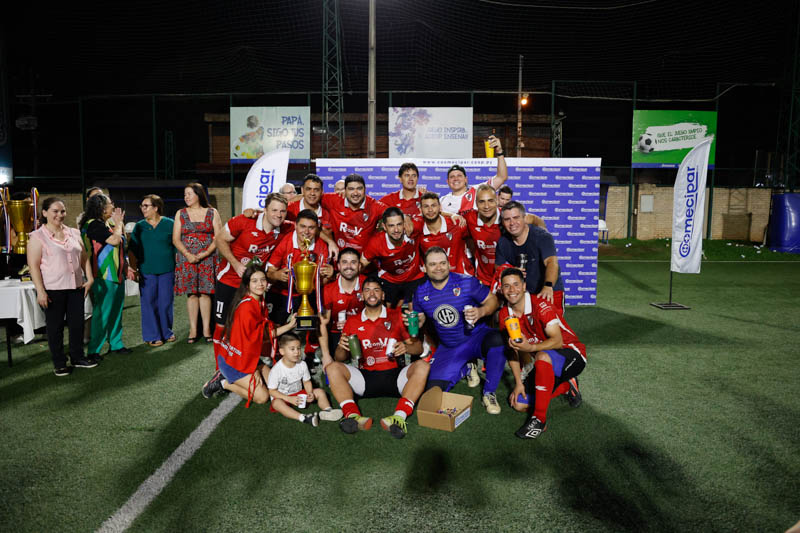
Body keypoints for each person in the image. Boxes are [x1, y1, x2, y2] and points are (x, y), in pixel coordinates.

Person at [326, 276, 428, 438]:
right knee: (331, 367)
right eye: (367, 290)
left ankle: (398, 417)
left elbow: (418, 348)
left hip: (395, 376)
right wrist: (341, 346)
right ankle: (352, 417)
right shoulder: (352, 321)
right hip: (365, 378)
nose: (371, 293)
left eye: (376, 290)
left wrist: (406, 347)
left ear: (383, 295)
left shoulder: (396, 316)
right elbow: (339, 358)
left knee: (423, 365)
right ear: (362, 296)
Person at [412, 247, 507, 414]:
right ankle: (467, 367)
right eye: (433, 264)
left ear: (449, 264)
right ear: (424, 268)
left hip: (476, 337)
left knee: (497, 340)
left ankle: (489, 392)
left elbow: (493, 301)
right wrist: (415, 322)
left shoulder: (466, 282)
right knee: (432, 393)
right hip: (450, 346)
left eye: (442, 263)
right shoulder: (420, 292)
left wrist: (481, 312)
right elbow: (419, 319)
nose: (439, 267)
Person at [498, 268, 585, 439]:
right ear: (501, 289)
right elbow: (512, 351)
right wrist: (518, 383)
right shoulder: (504, 314)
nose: (512, 290)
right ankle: (567, 386)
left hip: (571, 353)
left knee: (542, 355)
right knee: (518, 403)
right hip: (544, 361)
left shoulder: (541, 305)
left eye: (516, 285)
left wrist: (530, 348)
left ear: (524, 286)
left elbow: (558, 341)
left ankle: (539, 420)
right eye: (506, 286)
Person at [201, 263, 296, 405]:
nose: (260, 284)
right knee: (262, 397)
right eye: (255, 281)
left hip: (243, 356)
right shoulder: (247, 307)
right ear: (247, 284)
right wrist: (289, 326)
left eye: (263, 279)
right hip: (234, 361)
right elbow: (260, 337)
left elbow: (258, 335)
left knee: (276, 385)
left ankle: (252, 369)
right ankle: (223, 382)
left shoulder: (258, 302)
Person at [28, 197, 97, 376]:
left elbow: (83, 257)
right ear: (45, 213)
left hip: (76, 287)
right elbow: (34, 266)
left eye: (63, 211)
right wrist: (41, 291)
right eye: (55, 211)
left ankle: (77, 356)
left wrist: (89, 278)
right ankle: (59, 363)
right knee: (55, 328)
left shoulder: (74, 233)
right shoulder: (37, 237)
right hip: (52, 288)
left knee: (77, 325)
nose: (60, 215)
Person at [214, 193, 293, 337]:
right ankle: (223, 357)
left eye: (282, 211)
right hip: (229, 280)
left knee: (249, 324)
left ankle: (244, 355)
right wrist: (236, 264)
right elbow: (219, 239)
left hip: (254, 285)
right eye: (274, 210)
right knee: (222, 323)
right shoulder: (244, 221)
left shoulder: (286, 227)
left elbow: (308, 226)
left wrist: (331, 242)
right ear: (265, 210)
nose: (279, 215)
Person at [79, 193, 132, 358]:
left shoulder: (107, 223)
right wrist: (118, 224)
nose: (113, 206)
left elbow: (121, 246)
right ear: (101, 208)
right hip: (102, 275)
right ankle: (94, 349)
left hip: (116, 275)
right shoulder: (93, 225)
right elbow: (114, 241)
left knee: (116, 311)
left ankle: (116, 344)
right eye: (110, 204)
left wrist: (125, 268)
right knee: (102, 313)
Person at [266, 209, 333, 324]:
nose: (306, 232)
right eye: (303, 226)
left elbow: (322, 281)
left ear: (317, 229)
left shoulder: (321, 247)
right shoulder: (285, 242)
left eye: (311, 228)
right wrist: (276, 275)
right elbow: (269, 272)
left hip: (309, 295)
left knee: (310, 330)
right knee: (275, 328)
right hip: (282, 294)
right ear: (295, 226)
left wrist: (329, 275)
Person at [173, 183, 221, 343]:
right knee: (192, 294)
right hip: (187, 260)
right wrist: (188, 254)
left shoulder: (212, 212)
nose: (186, 197)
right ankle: (193, 329)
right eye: (185, 194)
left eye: (189, 194)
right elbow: (176, 239)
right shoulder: (180, 213)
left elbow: (218, 236)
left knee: (206, 293)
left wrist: (204, 253)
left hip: (208, 259)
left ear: (198, 195)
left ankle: (207, 329)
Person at [496, 201, 565, 312]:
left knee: (552, 327)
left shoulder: (542, 236)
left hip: (549, 289)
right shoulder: (503, 242)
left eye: (516, 217)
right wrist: (510, 270)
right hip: (524, 293)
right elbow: (498, 267)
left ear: (524, 218)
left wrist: (548, 286)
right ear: (503, 222)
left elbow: (551, 263)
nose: (512, 223)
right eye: (507, 219)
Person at [267, 332, 343, 426]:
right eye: (292, 349)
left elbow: (306, 381)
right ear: (282, 351)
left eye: (298, 348)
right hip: (283, 397)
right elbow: (272, 391)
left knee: (320, 392)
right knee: (276, 403)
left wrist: (310, 392)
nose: (296, 352)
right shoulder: (276, 370)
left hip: (298, 394)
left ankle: (328, 411)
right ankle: (304, 418)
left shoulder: (302, 364)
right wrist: (289, 399)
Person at [129, 195, 176, 346]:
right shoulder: (139, 226)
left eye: (146, 206)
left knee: (166, 302)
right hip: (146, 270)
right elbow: (132, 249)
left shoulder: (170, 224)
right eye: (142, 206)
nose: (143, 209)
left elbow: (176, 246)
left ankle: (166, 331)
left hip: (167, 269)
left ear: (156, 208)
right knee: (149, 303)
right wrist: (133, 268)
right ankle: (152, 335)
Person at [362, 206, 425, 307]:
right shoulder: (376, 243)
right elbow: (362, 263)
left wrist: (453, 215)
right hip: (390, 279)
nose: (396, 230)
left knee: (415, 311)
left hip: (414, 276)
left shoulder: (414, 228)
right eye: (391, 226)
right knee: (386, 311)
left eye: (399, 224)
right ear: (384, 226)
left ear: (404, 223)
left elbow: (432, 214)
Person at [440, 135, 508, 214]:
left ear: (466, 179)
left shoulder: (478, 191)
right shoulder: (442, 200)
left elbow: (501, 177)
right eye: (452, 177)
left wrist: (499, 152)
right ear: (447, 181)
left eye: (459, 175)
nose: (456, 179)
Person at [320, 173, 387, 252]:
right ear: (345, 190)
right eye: (351, 189)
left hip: (366, 260)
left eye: (359, 188)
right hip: (340, 260)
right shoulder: (334, 199)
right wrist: (330, 241)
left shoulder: (374, 205)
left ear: (365, 189)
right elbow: (308, 197)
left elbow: (394, 214)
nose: (355, 193)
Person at [414, 192, 474, 276]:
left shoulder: (457, 224)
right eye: (426, 206)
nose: (430, 210)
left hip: (461, 277)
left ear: (440, 207)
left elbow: (474, 241)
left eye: (433, 205)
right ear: (420, 210)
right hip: (435, 280)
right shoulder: (417, 230)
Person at [321, 247, 365, 356]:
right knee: (336, 359)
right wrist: (326, 356)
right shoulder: (328, 290)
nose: (349, 266)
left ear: (359, 266)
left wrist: (352, 324)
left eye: (353, 262)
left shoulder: (368, 285)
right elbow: (322, 323)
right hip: (337, 332)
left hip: (363, 329)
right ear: (338, 266)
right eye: (344, 262)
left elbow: (378, 316)